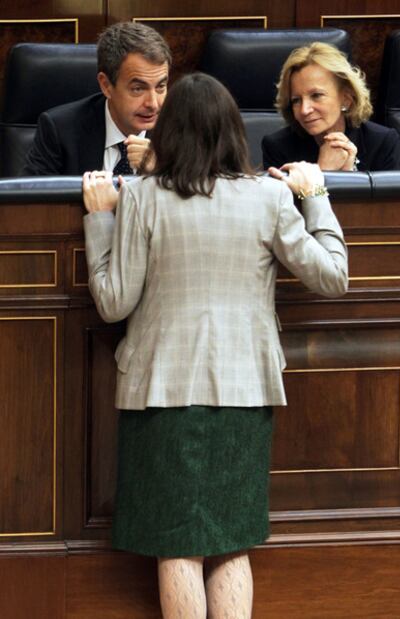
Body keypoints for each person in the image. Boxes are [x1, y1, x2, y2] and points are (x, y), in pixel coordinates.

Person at [82, 72, 348, 619]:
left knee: (176, 545)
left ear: (170, 131)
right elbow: (332, 276)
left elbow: (113, 303)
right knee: (231, 540)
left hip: (160, 391)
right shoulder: (271, 197)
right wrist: (315, 193)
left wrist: (100, 222)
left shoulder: (142, 198)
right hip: (242, 388)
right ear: (235, 130)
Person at [21, 21, 171, 176]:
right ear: (106, 85)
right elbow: (30, 197)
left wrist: (161, 173)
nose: (153, 104)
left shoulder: (182, 133)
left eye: (160, 87)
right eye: (138, 89)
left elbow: (193, 194)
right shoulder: (61, 130)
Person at [262, 42, 400, 174]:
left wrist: (350, 177)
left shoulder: (381, 142)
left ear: (346, 99)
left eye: (316, 95)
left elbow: (389, 199)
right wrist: (323, 171)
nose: (304, 110)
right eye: (296, 100)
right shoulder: (277, 147)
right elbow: (288, 199)